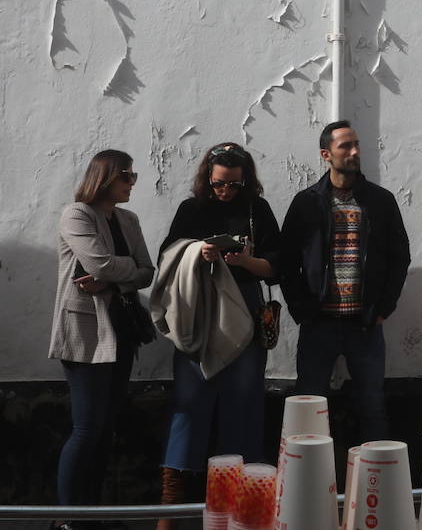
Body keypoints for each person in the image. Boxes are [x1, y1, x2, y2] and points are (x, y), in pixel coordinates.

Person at [154, 143, 279, 527]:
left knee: (245, 403)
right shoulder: (192, 209)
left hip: (244, 310)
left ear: (246, 181)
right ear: (207, 178)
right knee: (190, 403)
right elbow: (166, 258)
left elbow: (276, 268)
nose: (225, 192)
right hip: (200, 312)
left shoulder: (257, 210)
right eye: (218, 184)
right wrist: (198, 252)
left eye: (234, 185)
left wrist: (244, 260)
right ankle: (171, 508)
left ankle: (241, 509)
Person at [280, 120, 410, 442]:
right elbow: (286, 261)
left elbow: (399, 257)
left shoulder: (380, 201)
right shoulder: (307, 202)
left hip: (364, 325)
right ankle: (306, 472)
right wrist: (301, 308)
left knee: (372, 407)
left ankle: (376, 472)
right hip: (318, 324)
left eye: (356, 145)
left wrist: (384, 307)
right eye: (345, 146)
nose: (354, 152)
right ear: (326, 154)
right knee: (308, 408)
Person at [46, 149, 153, 529]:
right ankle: (67, 520)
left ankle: (91, 514)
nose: (131, 183)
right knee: (87, 429)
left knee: (106, 430)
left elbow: (147, 272)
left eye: (133, 176)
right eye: (126, 176)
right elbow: (99, 263)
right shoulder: (77, 214)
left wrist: (111, 281)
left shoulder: (128, 219)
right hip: (85, 333)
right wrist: (120, 271)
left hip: (122, 330)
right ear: (105, 177)